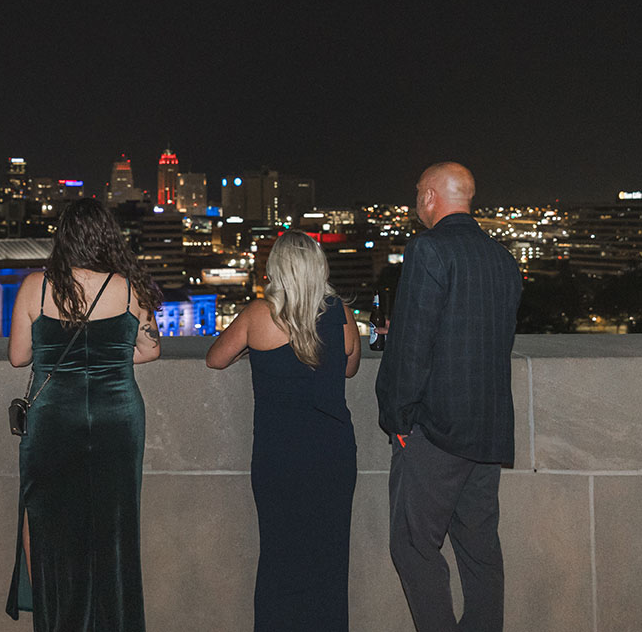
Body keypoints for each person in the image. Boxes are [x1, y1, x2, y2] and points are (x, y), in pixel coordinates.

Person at [376, 162, 522, 632]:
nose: (416, 200)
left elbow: (414, 347)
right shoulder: (502, 257)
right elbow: (480, 335)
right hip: (488, 429)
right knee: (479, 549)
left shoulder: (428, 248)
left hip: (438, 431)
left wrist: (397, 417)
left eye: (419, 191)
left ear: (433, 197)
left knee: (413, 545)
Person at [5, 198, 162, 632]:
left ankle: (60, 620)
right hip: (118, 420)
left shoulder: (36, 286)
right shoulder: (128, 287)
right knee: (114, 528)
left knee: (49, 523)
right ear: (105, 238)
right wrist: (107, 360)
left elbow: (19, 356)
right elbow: (150, 350)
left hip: (55, 421)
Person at [205, 230, 360, 632]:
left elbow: (215, 358)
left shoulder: (259, 314)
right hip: (332, 453)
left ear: (276, 269)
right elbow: (349, 366)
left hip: (280, 457)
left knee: (279, 556)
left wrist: (254, 352)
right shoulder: (339, 312)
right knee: (329, 561)